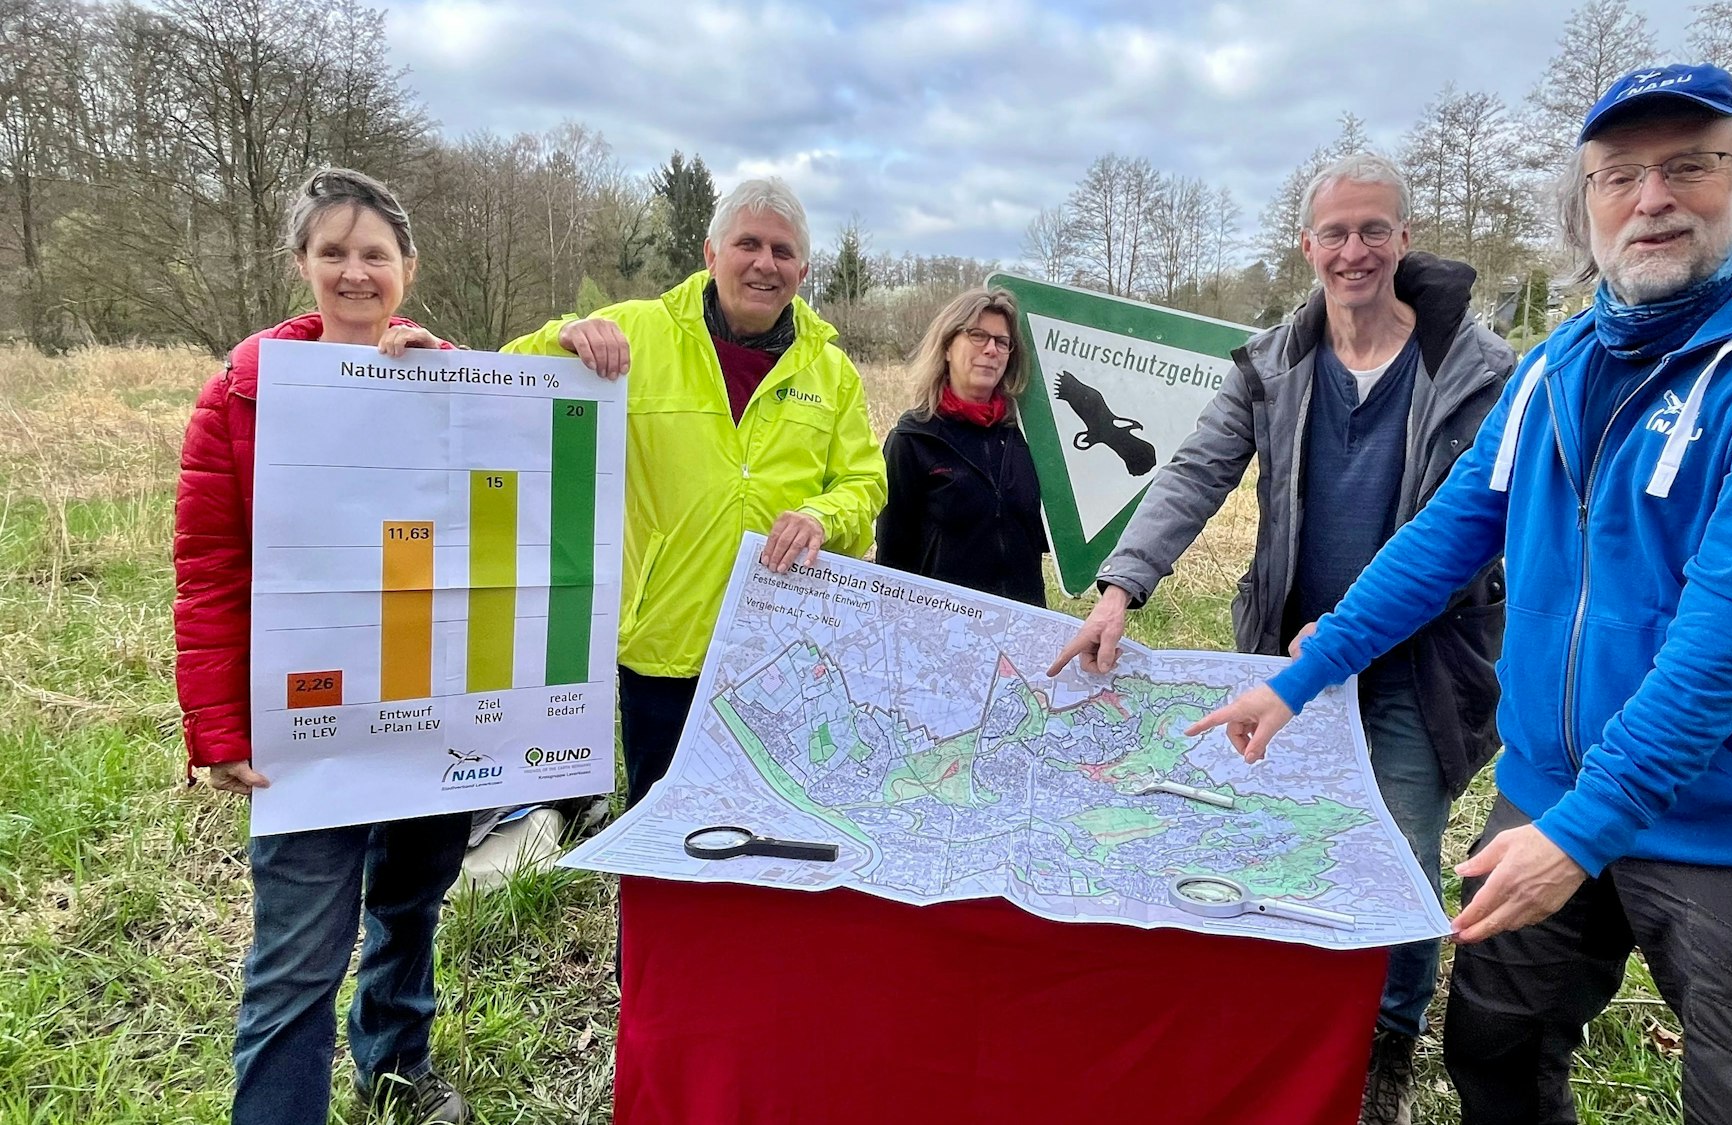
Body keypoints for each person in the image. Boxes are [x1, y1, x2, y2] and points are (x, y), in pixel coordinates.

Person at [1189, 63, 1732, 1123]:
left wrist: (1584, 831)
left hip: (1728, 821)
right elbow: (1442, 539)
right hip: (1541, 788)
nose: (1651, 199)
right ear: (1583, 207)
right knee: (1495, 1054)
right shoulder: (1554, 367)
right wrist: (1302, 675)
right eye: (1617, 175)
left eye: (1688, 166)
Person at [1048, 152, 1513, 1121]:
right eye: (1334, 233)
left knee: (1396, 853)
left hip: (1420, 664)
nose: (1354, 250)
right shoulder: (1270, 365)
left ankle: (1386, 1042)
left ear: (1403, 239)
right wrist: (1121, 587)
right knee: (1279, 840)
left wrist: (1350, 635)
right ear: (1306, 246)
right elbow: (1193, 473)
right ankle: (1291, 1027)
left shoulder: (1478, 371)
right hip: (1282, 661)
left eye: (1373, 229)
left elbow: (1464, 537)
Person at [174, 168, 470, 1125]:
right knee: (297, 955)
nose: (354, 272)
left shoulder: (451, 381)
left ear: (407, 268)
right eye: (333, 252)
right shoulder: (240, 395)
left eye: (374, 254)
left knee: (410, 906)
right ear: (301, 262)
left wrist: (448, 385)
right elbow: (209, 571)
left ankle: (396, 1066)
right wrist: (217, 725)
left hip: (429, 707)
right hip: (306, 722)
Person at [504, 177, 886, 808]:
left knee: (774, 818)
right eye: (748, 244)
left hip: (780, 648)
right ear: (711, 254)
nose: (765, 264)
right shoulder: (637, 332)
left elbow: (864, 482)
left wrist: (822, 515)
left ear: (803, 271)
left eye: (783, 252)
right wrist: (562, 338)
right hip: (665, 641)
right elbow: (505, 378)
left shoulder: (832, 371)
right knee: (660, 822)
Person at [875, 287, 1046, 606]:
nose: (991, 350)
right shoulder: (912, 440)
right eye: (977, 336)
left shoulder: (1025, 438)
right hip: (942, 625)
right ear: (947, 348)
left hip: (1021, 624)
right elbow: (892, 560)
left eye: (1002, 342)